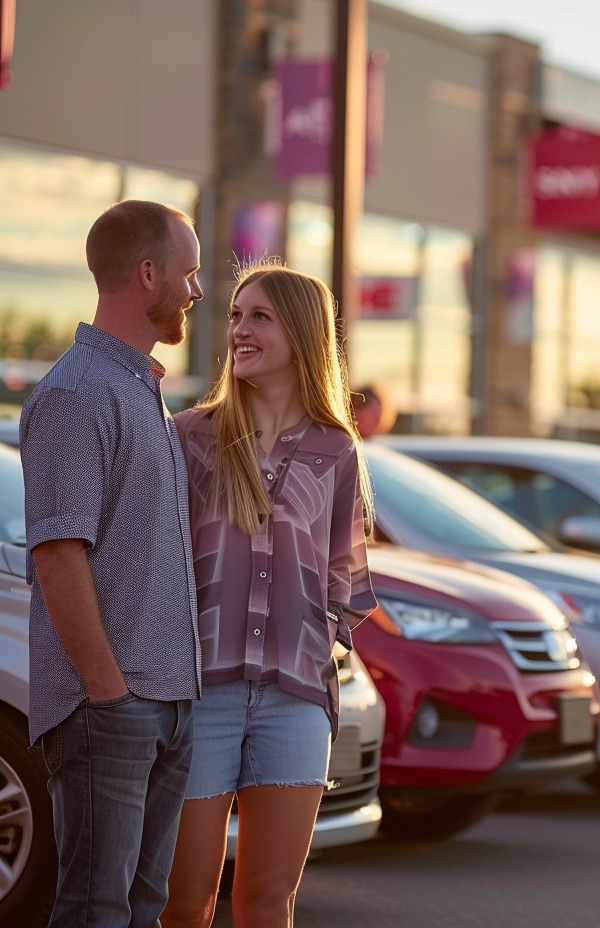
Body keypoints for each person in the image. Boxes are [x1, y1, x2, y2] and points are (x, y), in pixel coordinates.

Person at [163, 260, 377, 928]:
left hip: (296, 701)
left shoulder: (335, 449)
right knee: (184, 902)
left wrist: (324, 639)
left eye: (260, 316)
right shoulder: (191, 437)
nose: (238, 330)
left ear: (303, 333)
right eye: (233, 314)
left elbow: (347, 571)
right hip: (203, 696)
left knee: (267, 903)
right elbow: (156, 559)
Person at [20, 199, 203, 927]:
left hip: (165, 700)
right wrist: (109, 692)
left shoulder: (139, 389)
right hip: (113, 710)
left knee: (142, 909)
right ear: (148, 273)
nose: (194, 291)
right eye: (187, 274)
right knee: (96, 911)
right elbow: (59, 555)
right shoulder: (75, 393)